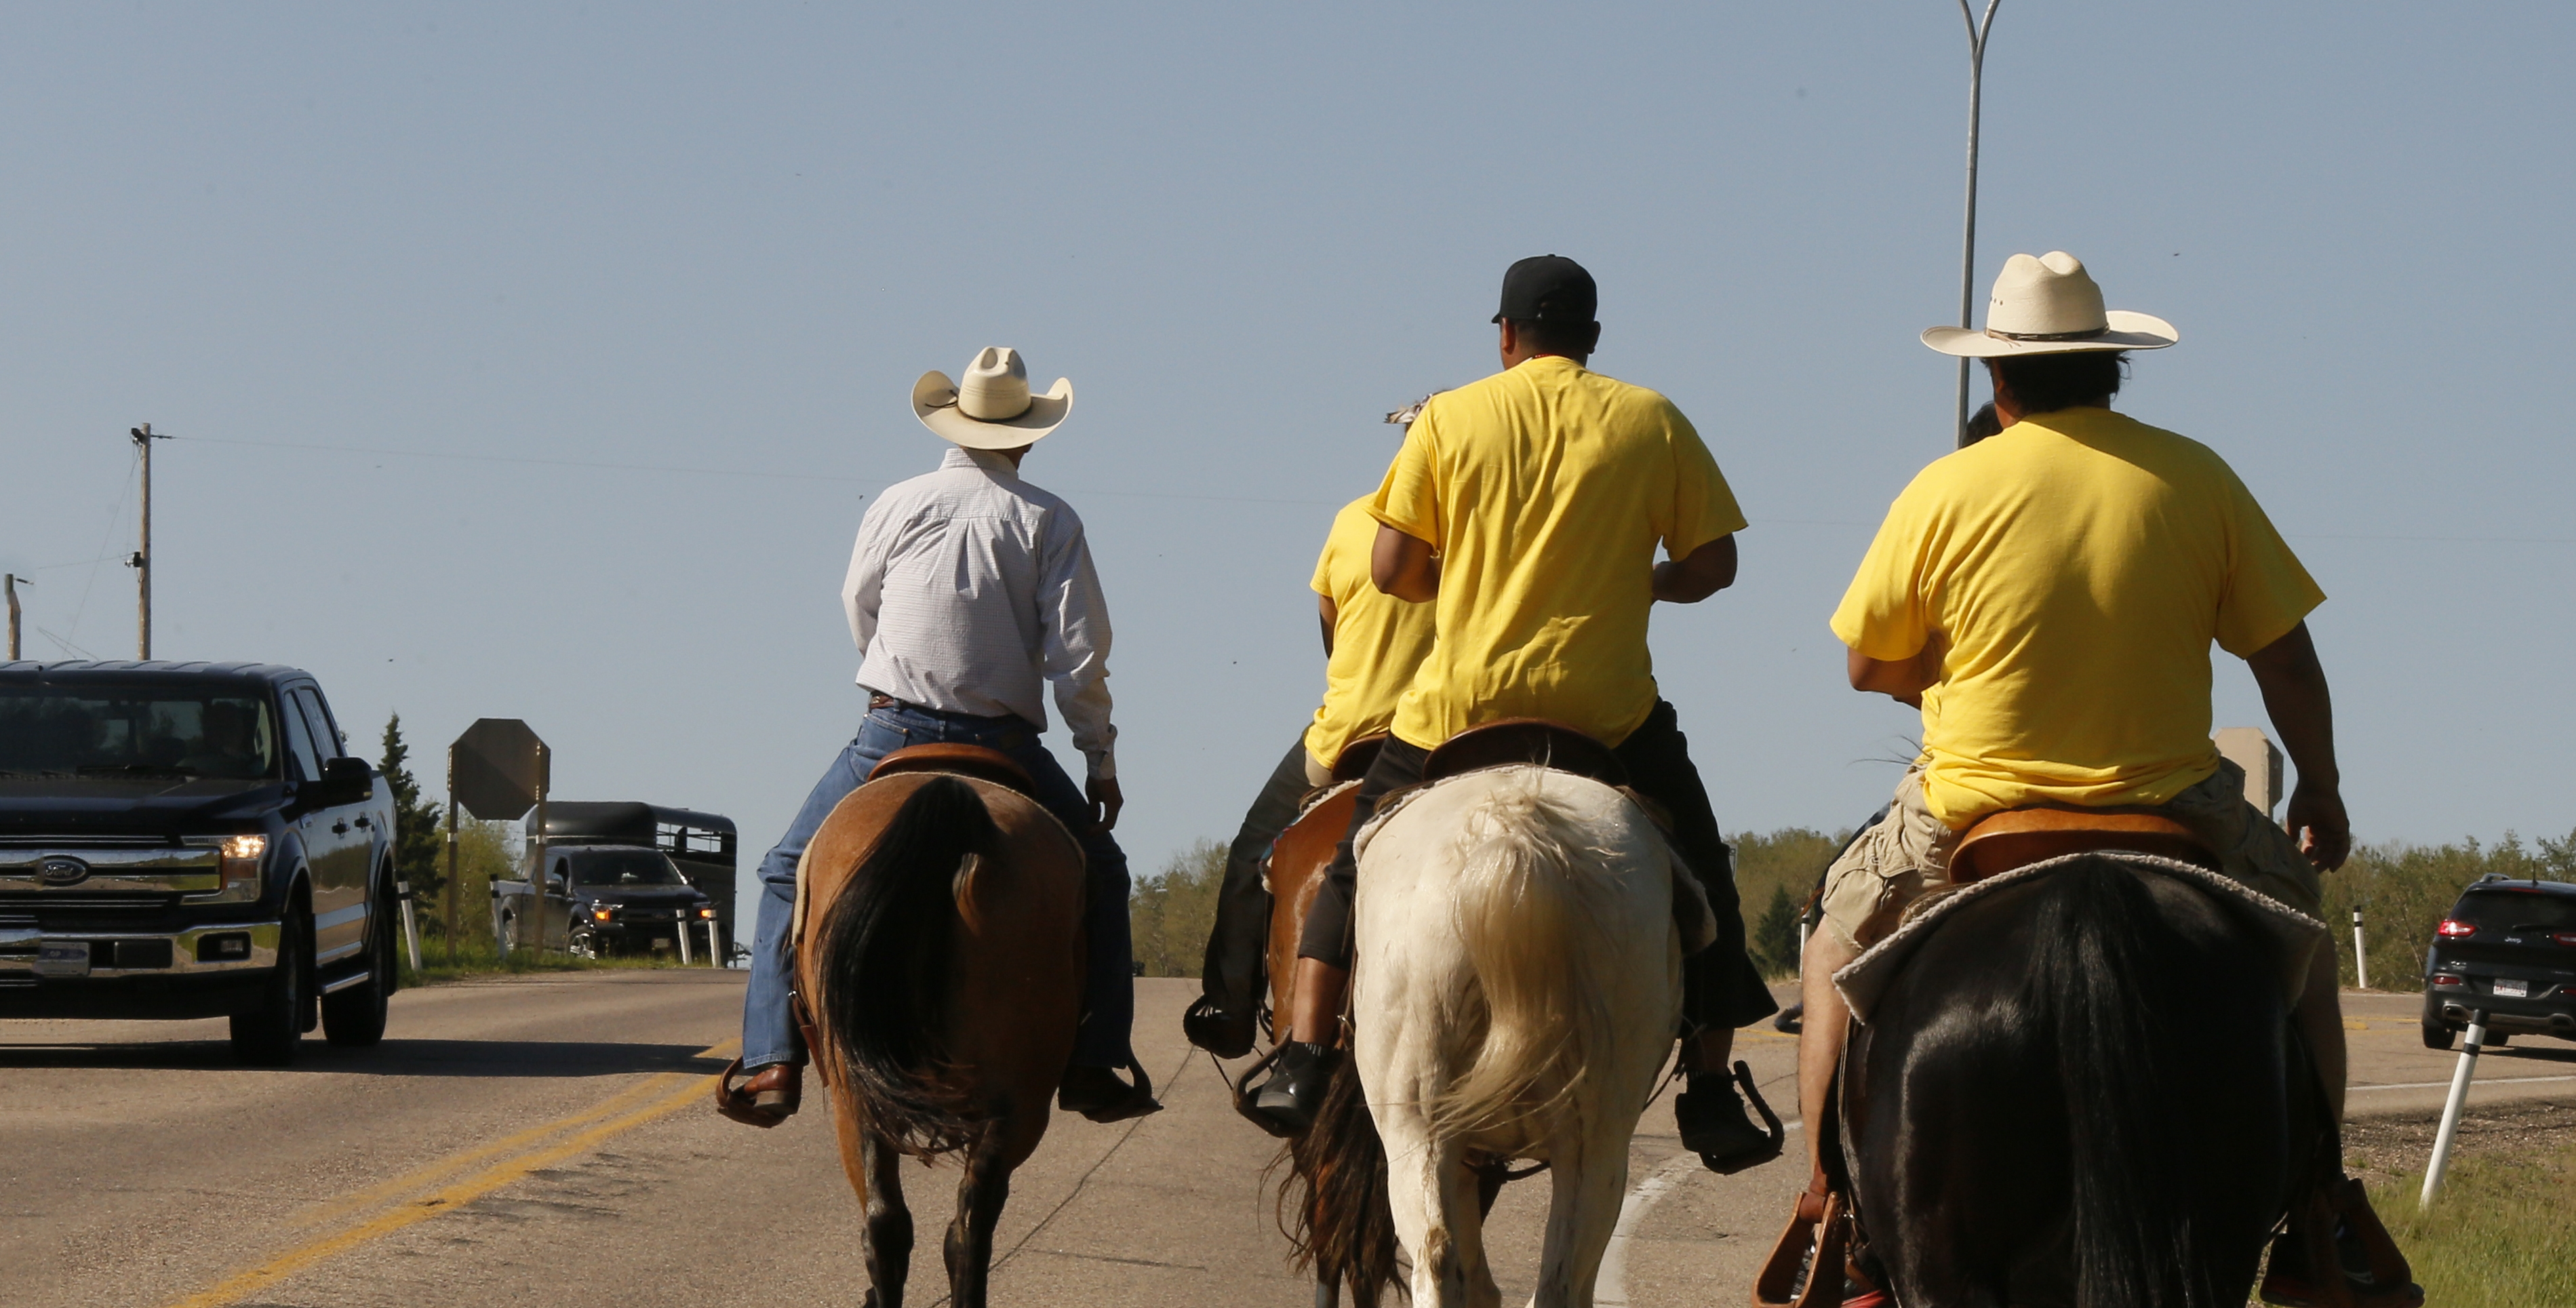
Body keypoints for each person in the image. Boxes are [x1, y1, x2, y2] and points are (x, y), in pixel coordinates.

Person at [1745, 250, 2389, 1308]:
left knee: (1827, 943)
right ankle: (2320, 1210)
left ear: (1998, 382)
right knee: (2307, 947)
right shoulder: (2195, 477)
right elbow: (2285, 657)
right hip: (2176, 804)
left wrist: (1947, 665)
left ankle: (1831, 1209)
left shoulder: (1945, 486)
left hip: (1968, 811)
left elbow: (1865, 667)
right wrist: (2318, 783)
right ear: (2111, 372)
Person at [1236, 255, 1781, 1170]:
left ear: (1503, 336)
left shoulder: (1450, 418)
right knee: (1705, 868)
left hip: (1459, 709)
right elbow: (1714, 567)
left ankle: (1302, 1053)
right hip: (1605, 715)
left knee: (1345, 864)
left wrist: (1478, 577)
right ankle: (1711, 1082)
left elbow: (1393, 572)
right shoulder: (1650, 417)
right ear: (1593, 339)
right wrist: (1638, 581)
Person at [715, 346, 1156, 1129]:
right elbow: (1078, 654)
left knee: (787, 872)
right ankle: (1094, 1062)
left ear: (954, 425)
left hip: (891, 730)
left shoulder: (896, 501)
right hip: (1006, 742)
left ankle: (770, 1058)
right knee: (1106, 874)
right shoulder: (1048, 518)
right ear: (1027, 434)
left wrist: (893, 670)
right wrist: (1101, 757)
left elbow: (859, 601)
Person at [1180, 399, 1442, 1059]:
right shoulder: (1484, 532)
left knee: (1249, 855)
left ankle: (1234, 1006)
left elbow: (1331, 634)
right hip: (1446, 737)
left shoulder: (1354, 521)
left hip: (1345, 737)